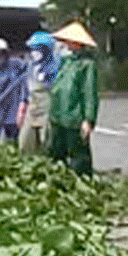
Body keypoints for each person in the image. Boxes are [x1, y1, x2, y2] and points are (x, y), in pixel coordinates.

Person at [46, 21, 99, 176]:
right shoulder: (66, 62)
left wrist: (88, 119)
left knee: (79, 158)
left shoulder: (87, 65)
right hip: (58, 116)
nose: (66, 44)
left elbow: (89, 93)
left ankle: (81, 184)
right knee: (55, 155)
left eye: (69, 41)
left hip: (74, 118)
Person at [20, 31, 57, 153]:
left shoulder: (54, 67)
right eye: (32, 49)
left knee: (46, 141)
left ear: (46, 50)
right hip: (32, 107)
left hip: (48, 109)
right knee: (25, 141)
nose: (33, 53)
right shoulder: (30, 66)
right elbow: (25, 88)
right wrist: (23, 105)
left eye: (37, 49)